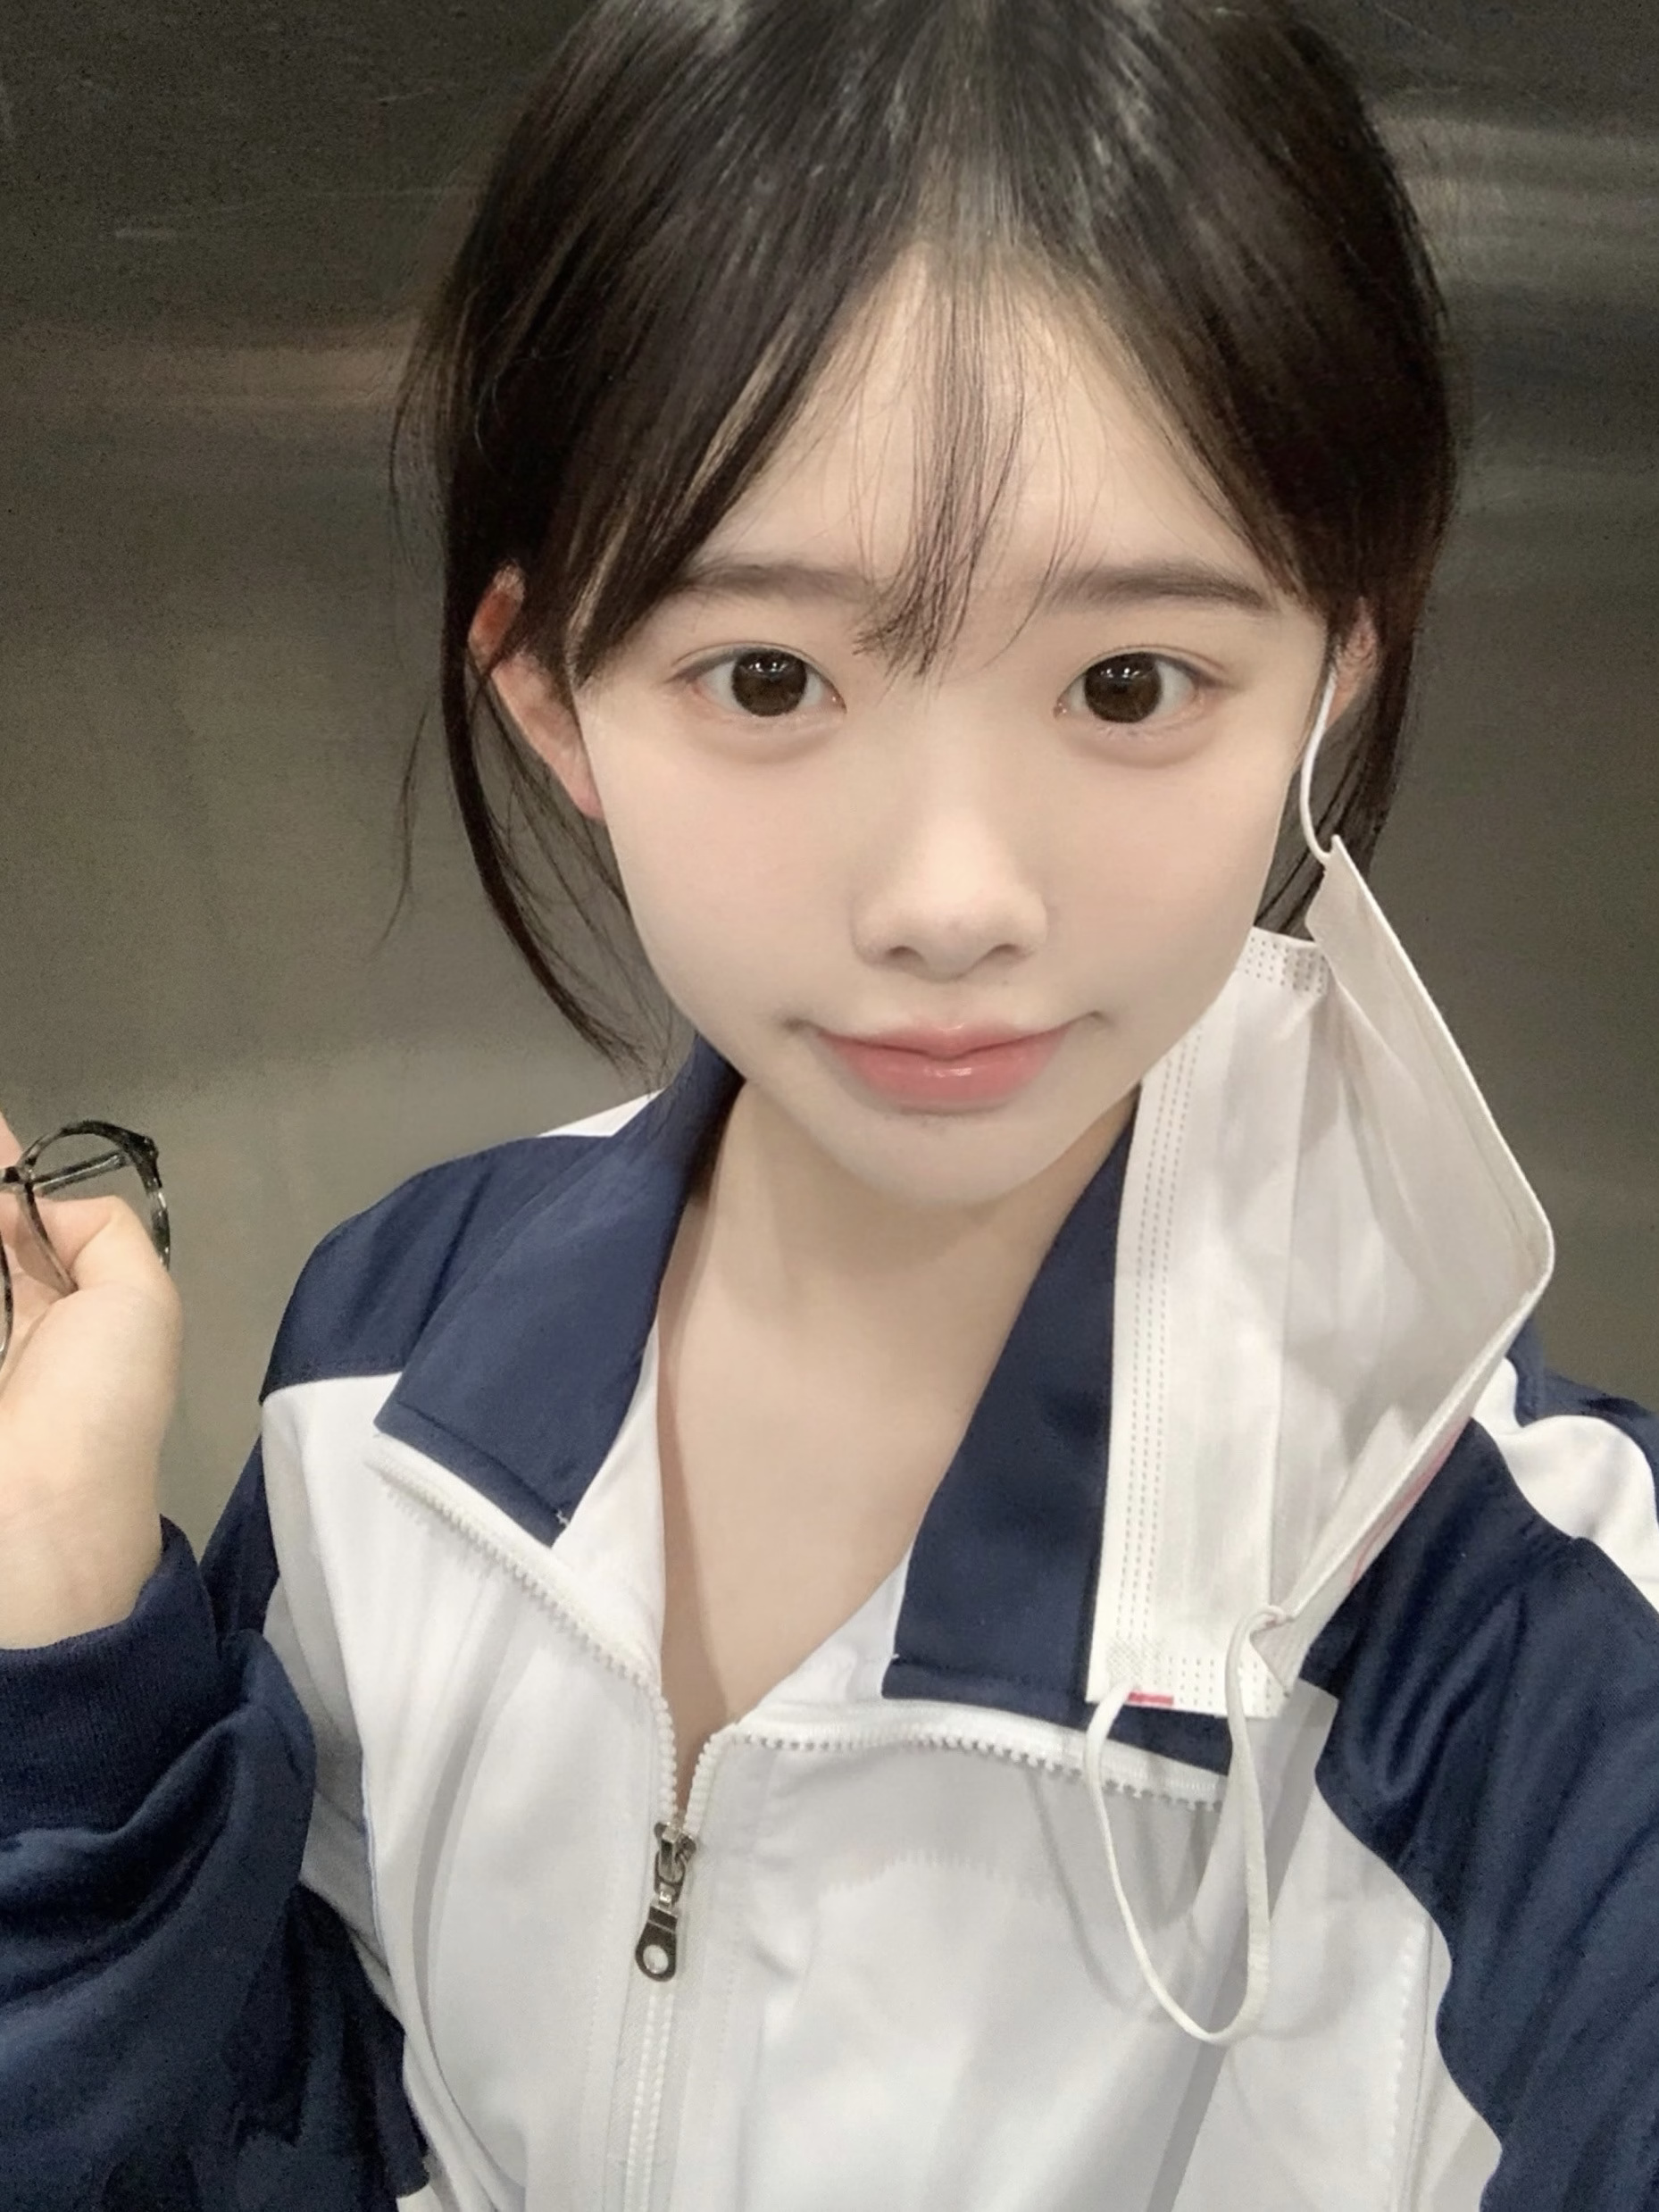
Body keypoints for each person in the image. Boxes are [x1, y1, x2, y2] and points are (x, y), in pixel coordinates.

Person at [3, 0, 1655, 2205]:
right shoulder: (382, 1355)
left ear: (1326, 675)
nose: (949, 900)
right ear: (553, 696)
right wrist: (61, 1666)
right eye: (768, 676)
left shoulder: (1515, 1618)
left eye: (1128, 681)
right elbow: (293, 2122)